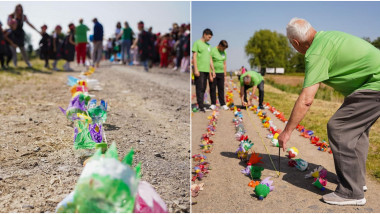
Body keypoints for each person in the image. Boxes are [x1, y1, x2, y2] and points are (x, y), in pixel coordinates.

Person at [277, 17, 380, 206]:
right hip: (372, 82)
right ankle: (357, 181)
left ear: (296, 43)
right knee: (356, 132)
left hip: (375, 83)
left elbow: (307, 99)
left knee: (339, 127)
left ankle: (351, 192)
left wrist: (287, 131)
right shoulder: (327, 37)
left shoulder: (315, 53)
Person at [192, 28, 215, 112]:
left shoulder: (209, 46)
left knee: (204, 88)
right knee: (200, 87)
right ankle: (200, 106)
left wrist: (213, 70)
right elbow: (194, 56)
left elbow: (210, 59)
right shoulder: (197, 43)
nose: (209, 39)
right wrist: (195, 69)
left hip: (206, 70)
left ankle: (201, 104)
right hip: (200, 69)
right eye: (209, 37)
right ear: (205, 34)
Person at [210, 40, 229, 110]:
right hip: (213, 72)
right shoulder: (213, 50)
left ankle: (223, 104)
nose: (224, 50)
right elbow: (210, 61)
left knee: (221, 89)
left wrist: (225, 75)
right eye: (223, 48)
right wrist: (212, 71)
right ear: (220, 45)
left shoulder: (224, 52)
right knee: (213, 88)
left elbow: (224, 64)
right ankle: (213, 103)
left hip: (221, 73)